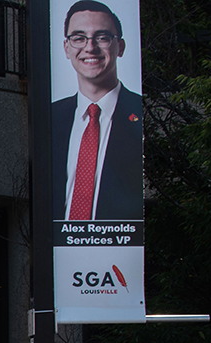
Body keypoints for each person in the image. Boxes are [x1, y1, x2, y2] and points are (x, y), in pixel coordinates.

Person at [51, 1, 143, 221]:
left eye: (102, 37)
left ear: (120, 47)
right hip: (63, 238)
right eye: (79, 38)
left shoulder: (140, 113)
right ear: (66, 48)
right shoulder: (51, 117)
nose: (90, 47)